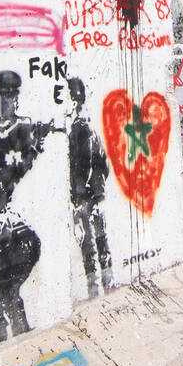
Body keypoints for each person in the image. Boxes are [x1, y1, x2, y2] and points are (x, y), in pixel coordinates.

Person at [0, 71, 52, 342]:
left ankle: (10, 322)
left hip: (0, 210)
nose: (11, 100)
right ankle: (12, 322)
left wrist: (33, 148)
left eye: (14, 94)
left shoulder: (14, 128)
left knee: (28, 248)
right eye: (6, 94)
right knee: (9, 263)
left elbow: (15, 171)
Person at [66, 78, 114, 296]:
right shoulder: (85, 126)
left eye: (66, 97)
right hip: (95, 193)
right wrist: (100, 192)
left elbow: (85, 164)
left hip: (86, 196)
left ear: (75, 100)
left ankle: (95, 289)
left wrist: (79, 199)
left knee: (89, 245)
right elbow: (103, 164)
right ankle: (108, 282)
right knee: (100, 240)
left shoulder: (80, 129)